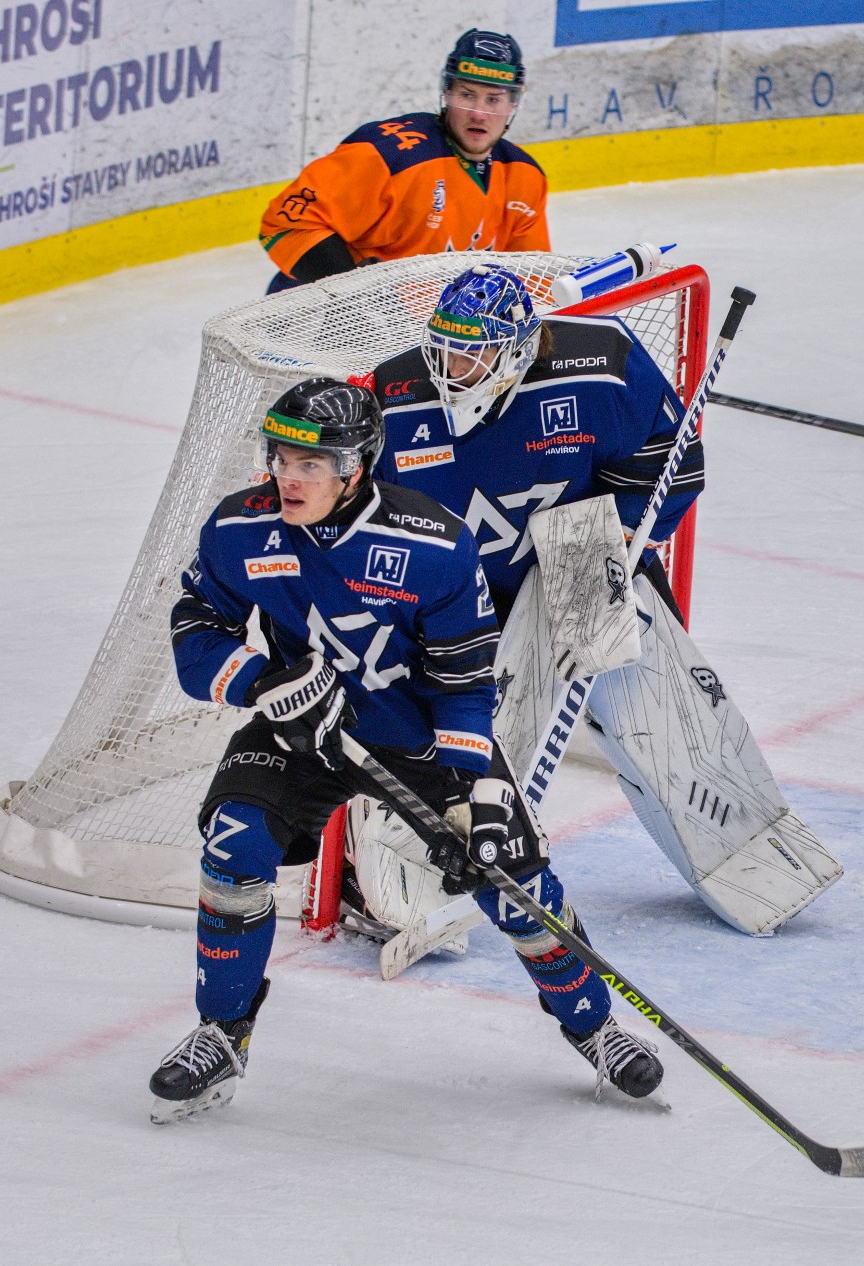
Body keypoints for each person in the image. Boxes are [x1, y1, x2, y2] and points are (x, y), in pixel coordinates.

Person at [147, 377, 662, 1124]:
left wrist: (473, 793)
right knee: (234, 846)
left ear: (356, 468)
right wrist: (262, 680)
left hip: (420, 740)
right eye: (282, 458)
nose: (289, 477)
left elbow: (464, 682)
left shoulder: (432, 545)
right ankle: (222, 1034)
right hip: (302, 734)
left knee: (513, 879)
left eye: (311, 464)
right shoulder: (239, 529)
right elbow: (197, 624)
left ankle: (595, 1027)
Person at [357, 264, 842, 939]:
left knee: (658, 703)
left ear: (518, 350)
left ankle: (748, 852)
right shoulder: (394, 400)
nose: (452, 369)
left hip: (580, 560)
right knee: (459, 735)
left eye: (473, 353)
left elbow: (672, 463)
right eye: (444, 349)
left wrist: (616, 538)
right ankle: (411, 878)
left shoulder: (601, 367)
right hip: (456, 598)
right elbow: (362, 526)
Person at [257, 29, 548, 294]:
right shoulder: (388, 155)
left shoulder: (524, 176)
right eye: (467, 95)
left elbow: (534, 282)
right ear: (447, 93)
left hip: (430, 327)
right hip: (314, 316)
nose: (479, 114)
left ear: (513, 104)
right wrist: (354, 296)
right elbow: (286, 226)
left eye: (493, 100)